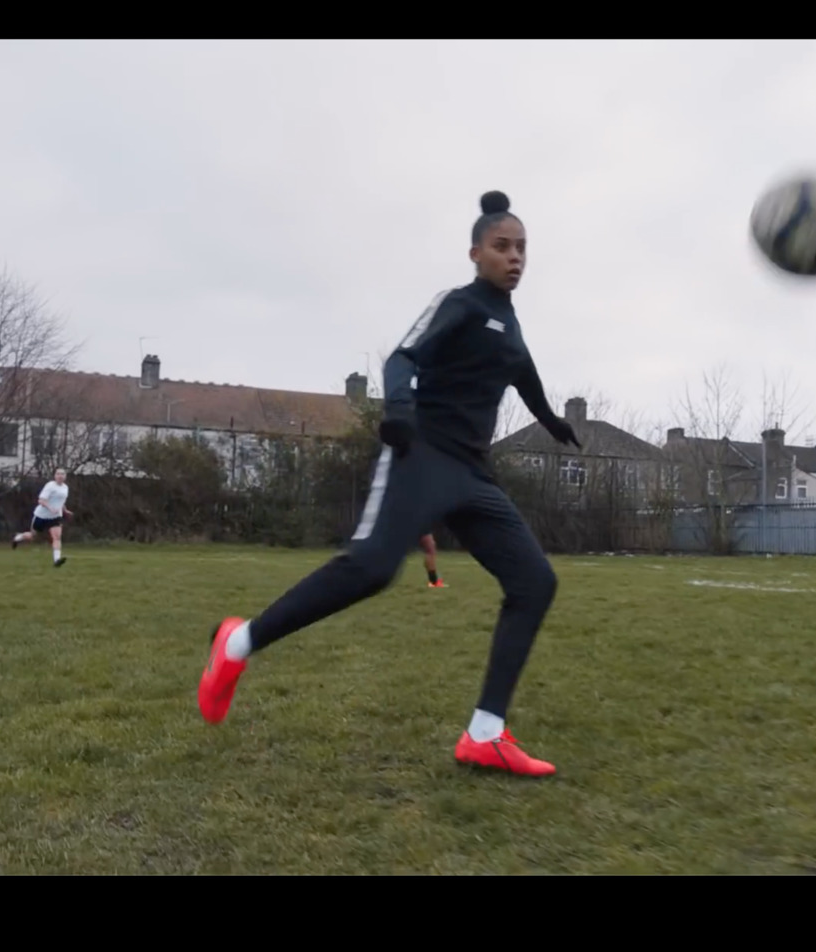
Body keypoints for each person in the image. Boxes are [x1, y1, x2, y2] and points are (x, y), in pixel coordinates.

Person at [197, 190, 578, 777]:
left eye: (522, 247)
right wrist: (398, 409)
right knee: (372, 569)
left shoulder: (511, 323)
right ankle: (237, 643)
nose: (515, 257)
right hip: (421, 453)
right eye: (502, 246)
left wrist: (553, 423)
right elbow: (402, 358)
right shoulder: (459, 303)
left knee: (534, 581)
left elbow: (524, 377)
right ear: (476, 252)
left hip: (474, 473)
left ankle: (485, 733)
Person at [11, 468, 73, 567]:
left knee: (57, 538)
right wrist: (50, 508)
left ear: (65, 476)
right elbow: (41, 500)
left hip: (55, 517)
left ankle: (57, 560)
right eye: (58, 474)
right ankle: (18, 538)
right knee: (32, 536)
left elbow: (61, 502)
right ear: (55, 476)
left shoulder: (65, 488)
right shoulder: (50, 486)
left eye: (62, 474)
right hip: (41, 516)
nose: (60, 476)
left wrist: (65, 510)